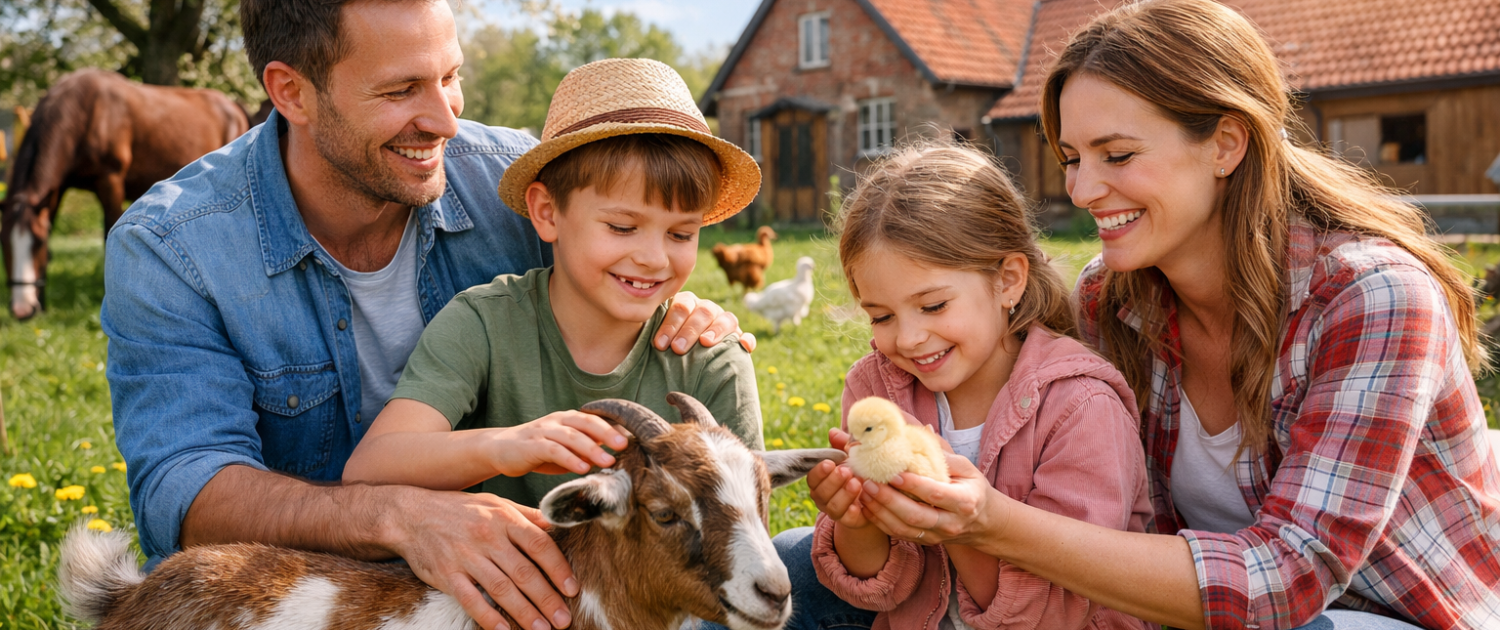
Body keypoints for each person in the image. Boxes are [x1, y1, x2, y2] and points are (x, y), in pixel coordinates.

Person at [844, 1, 1500, 630]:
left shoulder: (1372, 297)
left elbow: (1287, 583)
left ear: (1225, 144)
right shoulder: (1113, 298)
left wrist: (989, 522)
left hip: (1391, 614)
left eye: (1118, 155)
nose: (1081, 188)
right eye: (1072, 158)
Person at [100, 3, 749, 630]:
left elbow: (620, 247)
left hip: (517, 595)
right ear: (291, 92)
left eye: (450, 76)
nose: (444, 119)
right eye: (401, 89)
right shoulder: (172, 247)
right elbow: (186, 494)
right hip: (292, 596)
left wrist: (674, 312)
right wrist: (399, 518)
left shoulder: (514, 186)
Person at [343, 58, 764, 508]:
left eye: (681, 234)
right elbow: (370, 470)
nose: (654, 258)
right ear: (547, 213)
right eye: (622, 227)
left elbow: (746, 520)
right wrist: (504, 447)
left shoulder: (711, 359)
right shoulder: (484, 322)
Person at [777, 143, 1154, 630]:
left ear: (1008, 281)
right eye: (882, 316)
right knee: (785, 556)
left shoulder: (1080, 406)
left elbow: (1059, 611)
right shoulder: (877, 390)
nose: (909, 338)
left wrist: (953, 526)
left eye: (933, 306)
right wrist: (857, 522)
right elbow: (880, 590)